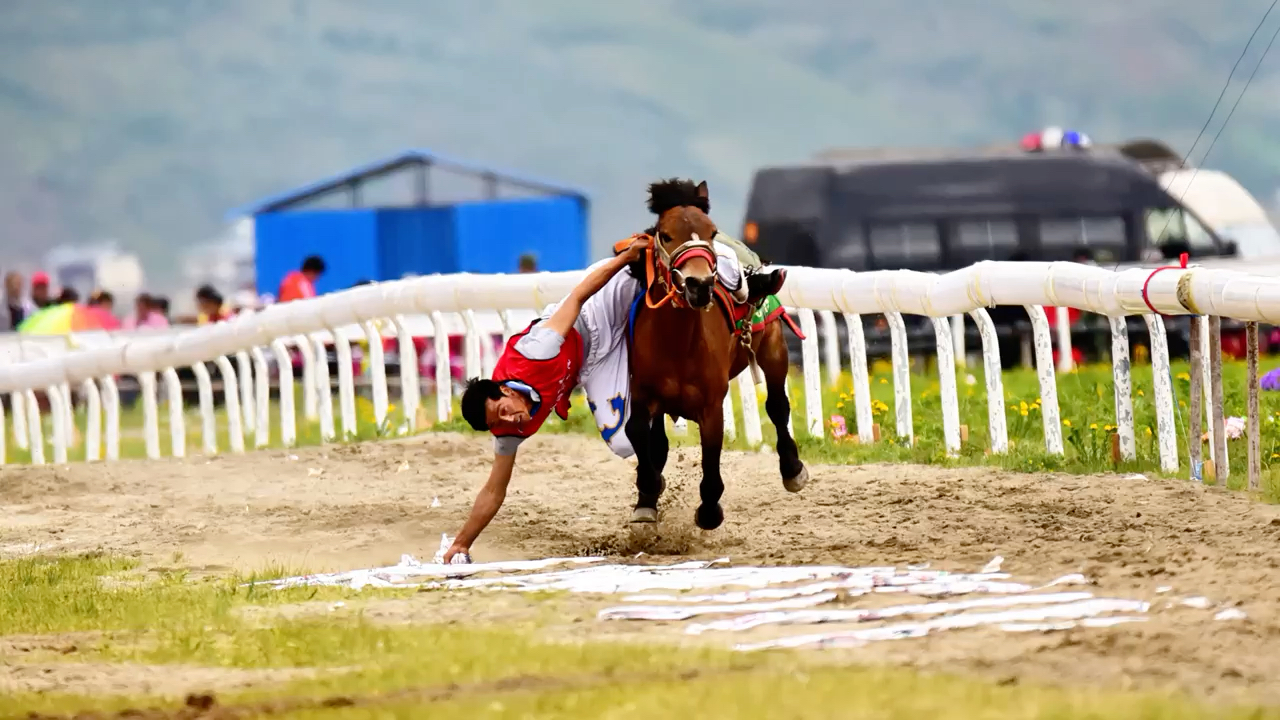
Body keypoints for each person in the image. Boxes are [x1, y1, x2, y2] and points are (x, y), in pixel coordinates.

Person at [441, 235, 785, 563]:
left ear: (504, 390)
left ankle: (741, 278)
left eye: (503, 412)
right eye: (498, 425)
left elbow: (576, 298)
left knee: (654, 264)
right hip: (591, 363)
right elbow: (493, 490)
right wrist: (461, 542)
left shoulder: (536, 351)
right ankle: (651, 476)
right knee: (624, 443)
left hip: (595, 311)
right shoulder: (508, 429)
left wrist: (624, 258)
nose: (511, 421)